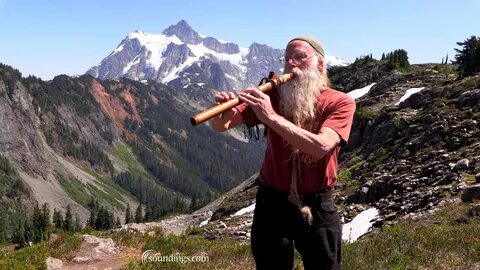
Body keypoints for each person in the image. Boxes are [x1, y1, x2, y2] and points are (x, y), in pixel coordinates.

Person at [210, 36, 356, 270]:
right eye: (287, 59)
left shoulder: (340, 102)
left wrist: (270, 117)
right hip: (272, 203)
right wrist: (222, 115)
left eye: (299, 57)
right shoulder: (273, 95)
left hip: (318, 204)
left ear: (319, 63)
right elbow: (221, 126)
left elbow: (320, 147)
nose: (292, 64)